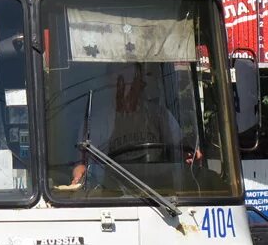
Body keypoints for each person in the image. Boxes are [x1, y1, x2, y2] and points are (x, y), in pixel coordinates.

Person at [69, 62, 198, 186]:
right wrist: (79, 174)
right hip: (111, 197)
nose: (125, 83)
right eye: (118, 75)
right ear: (110, 81)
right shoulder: (96, 122)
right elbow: (81, 164)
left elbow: (182, 148)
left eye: (131, 75)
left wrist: (189, 154)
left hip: (162, 196)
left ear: (140, 81)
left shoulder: (159, 115)